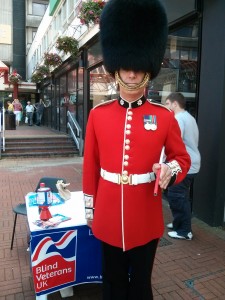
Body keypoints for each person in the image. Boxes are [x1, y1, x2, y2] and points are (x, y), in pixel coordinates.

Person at [82, 1, 191, 299]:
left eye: (137, 68)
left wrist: (171, 170)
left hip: (145, 215)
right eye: (126, 67)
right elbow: (90, 165)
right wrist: (90, 207)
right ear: (117, 67)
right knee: (112, 285)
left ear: (148, 68)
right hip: (106, 215)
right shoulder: (98, 114)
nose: (131, 74)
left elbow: (182, 158)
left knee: (141, 287)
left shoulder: (165, 116)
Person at [165, 92, 201, 240]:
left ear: (174, 104)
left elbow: (173, 141)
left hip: (184, 165)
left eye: (167, 103)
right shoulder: (189, 117)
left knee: (177, 196)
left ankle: (184, 231)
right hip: (192, 163)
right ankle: (178, 223)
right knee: (180, 196)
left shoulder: (178, 119)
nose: (166, 106)